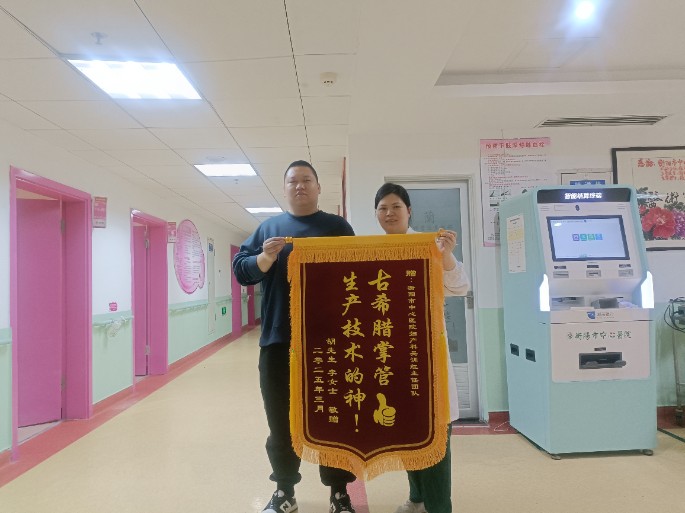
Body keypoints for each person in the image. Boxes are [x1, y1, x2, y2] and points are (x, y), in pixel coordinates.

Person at [232, 161, 357, 513]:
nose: (299, 186)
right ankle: (284, 492)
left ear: (318, 187)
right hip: (278, 343)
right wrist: (265, 257)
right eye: (292, 181)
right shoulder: (269, 229)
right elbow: (242, 270)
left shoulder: (337, 227)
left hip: (330, 344)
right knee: (280, 421)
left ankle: (339, 493)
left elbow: (358, 272)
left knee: (333, 418)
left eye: (306, 180)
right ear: (284, 189)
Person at [373, 183, 469, 513]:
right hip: (393, 359)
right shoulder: (373, 252)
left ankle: (439, 507)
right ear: (376, 214)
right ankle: (417, 498)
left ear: (409, 211)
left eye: (396, 207)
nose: (389, 213)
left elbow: (460, 287)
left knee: (435, 433)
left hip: (427, 359)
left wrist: (446, 254)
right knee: (406, 432)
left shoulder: (429, 246)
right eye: (383, 208)